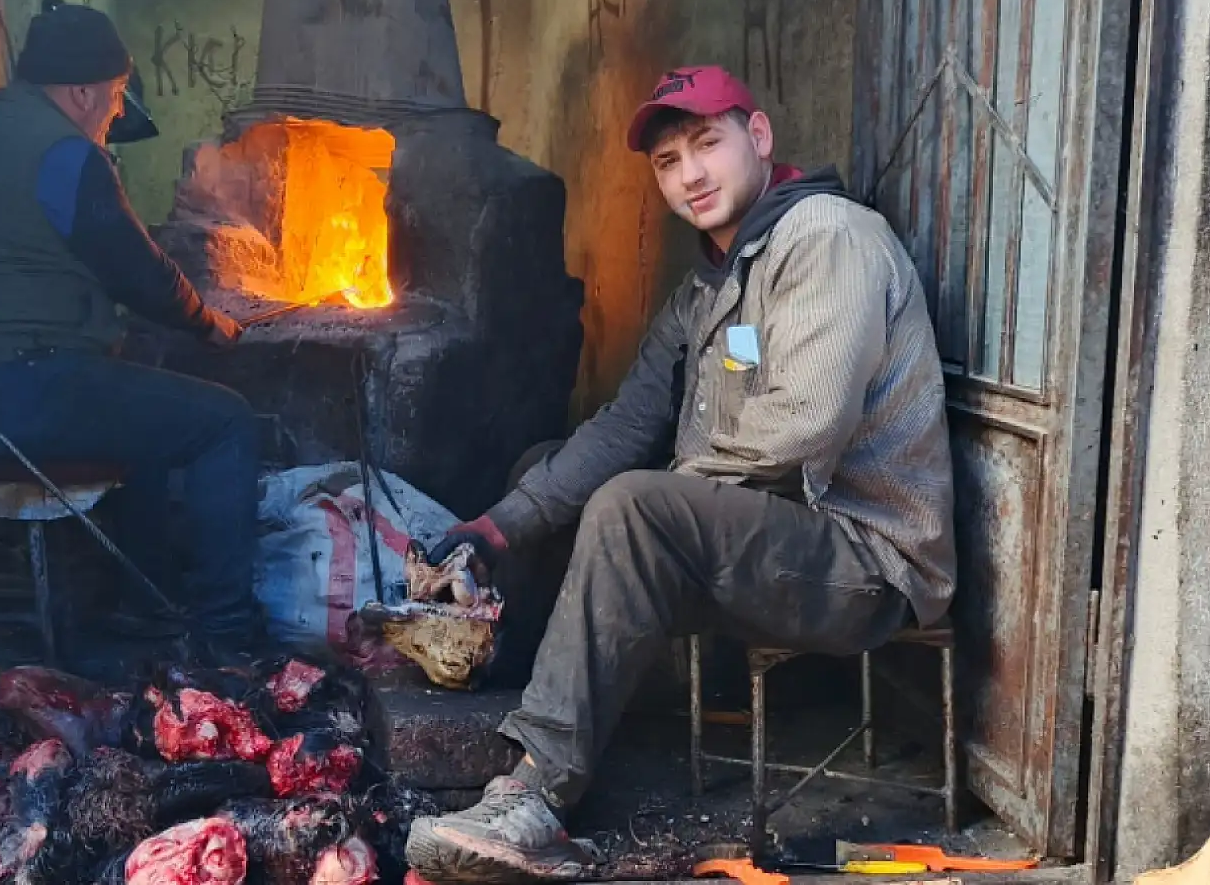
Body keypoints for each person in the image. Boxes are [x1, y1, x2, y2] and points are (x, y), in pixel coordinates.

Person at [405, 66, 956, 882]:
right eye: (668, 162)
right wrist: (498, 525)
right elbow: (627, 423)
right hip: (766, 538)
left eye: (708, 144)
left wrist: (656, 498)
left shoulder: (825, 237)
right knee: (557, 480)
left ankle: (539, 797)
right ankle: (513, 741)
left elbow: (803, 425)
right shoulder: (709, 285)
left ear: (758, 138)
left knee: (632, 508)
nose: (690, 174)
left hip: (861, 562)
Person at [0, 1, 263, 655]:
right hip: (15, 390)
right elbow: (136, 268)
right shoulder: (65, 154)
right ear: (80, 93)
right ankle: (226, 639)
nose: (118, 111)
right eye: (116, 95)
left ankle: (146, 604)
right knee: (226, 423)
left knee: (148, 407)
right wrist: (205, 321)